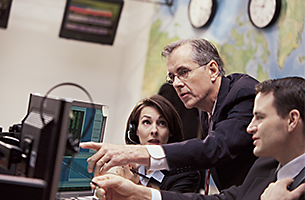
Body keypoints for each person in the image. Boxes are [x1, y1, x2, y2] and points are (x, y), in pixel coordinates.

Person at [81, 38, 258, 191]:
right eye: (172, 77)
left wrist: (134, 152)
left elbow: (216, 147)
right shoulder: (206, 108)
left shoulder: (242, 94)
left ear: (212, 70)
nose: (177, 84)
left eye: (184, 72)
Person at [90, 76, 305, 200]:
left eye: (259, 117)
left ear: (292, 120)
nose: (250, 128)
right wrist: (137, 194)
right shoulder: (265, 168)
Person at [116, 94, 200, 193]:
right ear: (135, 130)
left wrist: (131, 186)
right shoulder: (127, 166)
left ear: (170, 131)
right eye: (147, 122)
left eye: (162, 123)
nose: (154, 131)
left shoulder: (186, 175)